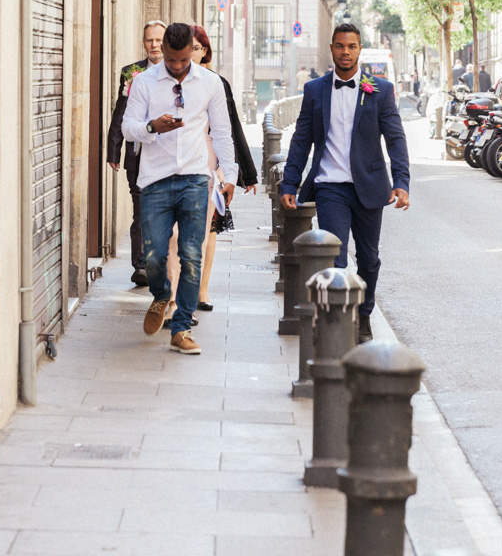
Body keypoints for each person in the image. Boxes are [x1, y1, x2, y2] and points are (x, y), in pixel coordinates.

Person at [279, 23, 410, 345]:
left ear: (359, 49)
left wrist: (402, 181)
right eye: (340, 46)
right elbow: (301, 140)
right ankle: (338, 322)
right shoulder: (315, 90)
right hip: (330, 185)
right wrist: (289, 183)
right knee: (334, 257)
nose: (345, 52)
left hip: (370, 186)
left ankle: (364, 316)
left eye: (351, 46)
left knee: (369, 259)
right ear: (332, 48)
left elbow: (395, 139)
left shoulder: (380, 89)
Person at [122, 22, 238, 354]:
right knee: (155, 255)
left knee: (190, 254)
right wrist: (151, 127)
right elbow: (129, 127)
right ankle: (161, 295)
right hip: (155, 179)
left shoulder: (210, 83)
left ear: (191, 51)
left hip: (195, 178)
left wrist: (228, 175)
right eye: (171, 61)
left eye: (182, 60)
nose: (176, 67)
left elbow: (222, 132)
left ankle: (182, 327)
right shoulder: (144, 82)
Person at [164, 25, 258, 323]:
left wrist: (239, 173)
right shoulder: (165, 81)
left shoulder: (216, 84)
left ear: (204, 50)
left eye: (198, 48)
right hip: (172, 165)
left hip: (208, 167)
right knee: (174, 236)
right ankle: (172, 298)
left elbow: (229, 129)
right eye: (189, 48)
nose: (192, 53)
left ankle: (194, 295)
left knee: (203, 236)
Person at [106, 20, 166, 285]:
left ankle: (161, 261)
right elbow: (121, 112)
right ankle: (140, 266)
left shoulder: (178, 71)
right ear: (144, 43)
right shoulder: (131, 72)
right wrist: (113, 150)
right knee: (140, 209)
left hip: (168, 155)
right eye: (149, 40)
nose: (155, 45)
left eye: (159, 40)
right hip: (138, 154)